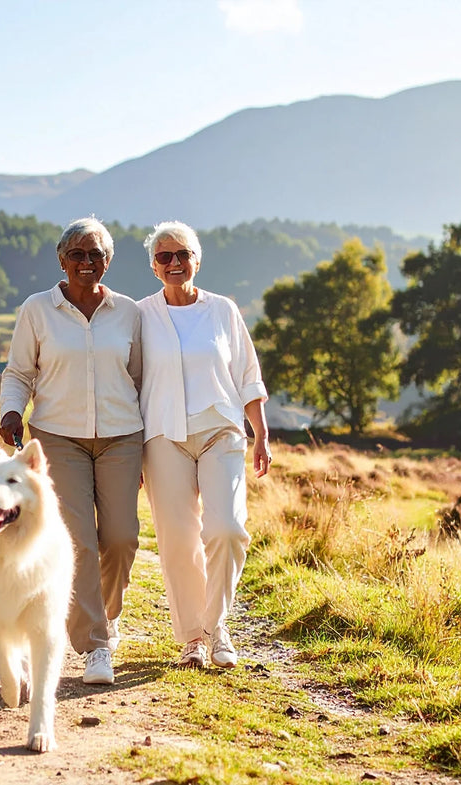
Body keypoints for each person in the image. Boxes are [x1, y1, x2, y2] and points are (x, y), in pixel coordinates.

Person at [0, 217, 143, 685]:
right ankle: (95, 645)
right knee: (79, 541)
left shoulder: (128, 312)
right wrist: (12, 411)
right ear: (62, 260)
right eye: (77, 254)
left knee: (121, 539)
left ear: (108, 261)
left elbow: (142, 379)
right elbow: (19, 372)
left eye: (95, 254)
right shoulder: (37, 309)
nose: (86, 262)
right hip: (58, 437)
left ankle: (105, 615)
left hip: (122, 437)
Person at [137, 220, 272, 669]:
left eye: (183, 254)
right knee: (178, 541)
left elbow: (247, 374)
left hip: (221, 430)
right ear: (154, 266)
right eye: (164, 256)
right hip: (163, 436)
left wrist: (261, 433)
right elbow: (129, 381)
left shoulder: (223, 310)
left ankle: (217, 627)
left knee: (227, 531)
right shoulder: (140, 315)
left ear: (197, 259)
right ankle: (193, 638)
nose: (174, 263)